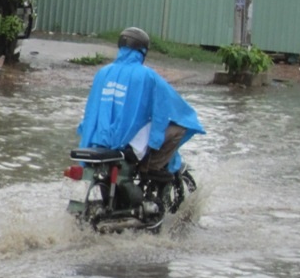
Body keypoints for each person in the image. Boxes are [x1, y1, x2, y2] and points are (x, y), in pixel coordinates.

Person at [77, 26, 205, 176]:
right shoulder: (147, 75)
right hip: (127, 144)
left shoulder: (102, 73)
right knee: (180, 128)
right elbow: (165, 109)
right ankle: (149, 169)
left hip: (96, 140)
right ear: (143, 51)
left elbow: (91, 110)